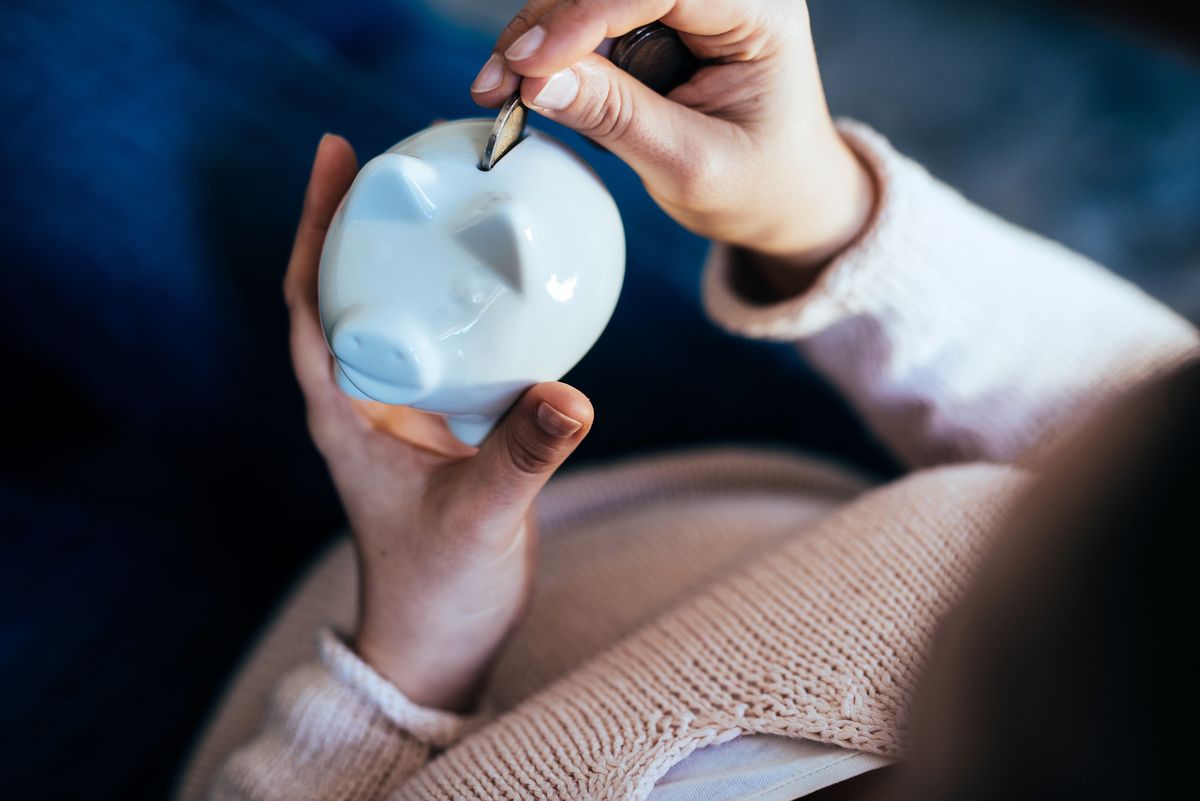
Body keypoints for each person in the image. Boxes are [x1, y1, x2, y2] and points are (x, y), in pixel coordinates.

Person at [179, 1, 1199, 799]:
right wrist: (812, 208)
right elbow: (1118, 403)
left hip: (291, 708)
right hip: (715, 468)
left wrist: (415, 651)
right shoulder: (1140, 541)